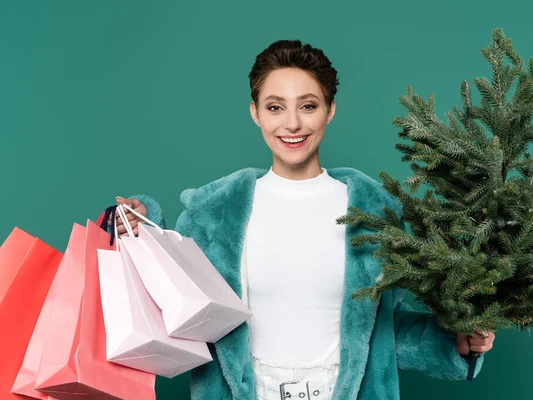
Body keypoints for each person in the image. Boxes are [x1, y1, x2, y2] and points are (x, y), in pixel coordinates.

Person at [114, 40, 495, 400]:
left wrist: (453, 344)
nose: (292, 123)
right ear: (255, 113)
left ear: (330, 109)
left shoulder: (375, 211)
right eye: (276, 107)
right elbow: (171, 299)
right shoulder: (213, 212)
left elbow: (382, 332)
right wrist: (138, 226)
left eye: (308, 106)